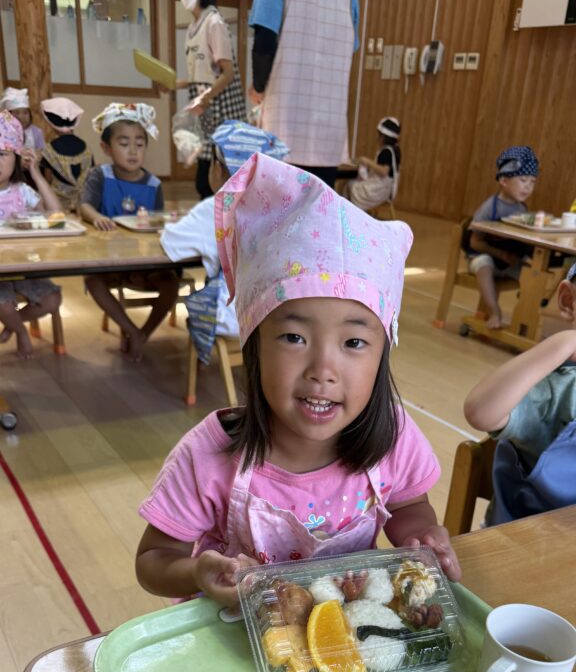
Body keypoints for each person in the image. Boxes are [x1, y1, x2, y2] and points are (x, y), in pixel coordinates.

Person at [136, 153, 461, 606]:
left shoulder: (393, 435)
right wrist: (196, 572)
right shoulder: (208, 455)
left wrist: (420, 536)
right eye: (294, 337)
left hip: (347, 633)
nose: (322, 369)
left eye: (354, 343)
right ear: (254, 344)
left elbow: (408, 506)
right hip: (233, 633)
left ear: (383, 354)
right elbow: (153, 561)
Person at [161, 119, 289, 365]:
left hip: (233, 318)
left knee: (200, 303)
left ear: (219, 169)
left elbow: (171, 245)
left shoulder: (216, 209)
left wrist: (168, 226)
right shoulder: (282, 210)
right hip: (277, 316)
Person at [463, 262, 576, 526]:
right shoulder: (556, 393)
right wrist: (562, 344)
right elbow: (480, 411)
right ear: (568, 301)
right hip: (526, 545)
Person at [79, 103, 179, 361]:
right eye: (124, 143)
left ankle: (143, 333)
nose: (133, 151)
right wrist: (97, 217)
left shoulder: (154, 184)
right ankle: (130, 329)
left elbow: (157, 221)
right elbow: (84, 206)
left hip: (144, 262)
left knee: (171, 284)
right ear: (106, 148)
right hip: (109, 260)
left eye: (140, 144)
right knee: (92, 281)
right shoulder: (100, 176)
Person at [248, 0, 360, 188]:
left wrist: (258, 86)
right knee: (319, 203)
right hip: (329, 130)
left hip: (284, 123)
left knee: (277, 203)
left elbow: (264, 43)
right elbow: (349, 49)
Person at [172, 0, 246, 200]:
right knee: (205, 180)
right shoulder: (193, 27)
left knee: (215, 180)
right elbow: (203, 75)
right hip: (206, 109)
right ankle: (213, 217)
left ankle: (222, 218)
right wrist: (176, 84)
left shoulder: (214, 23)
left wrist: (205, 97)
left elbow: (227, 73)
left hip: (221, 110)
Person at [0, 110, 62, 360]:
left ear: (16, 156)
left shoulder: (22, 191)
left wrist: (35, 172)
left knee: (53, 300)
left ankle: (13, 323)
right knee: (2, 304)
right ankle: (20, 331)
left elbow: (56, 216)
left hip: (25, 266)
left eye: (2, 154)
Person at [467, 145, 539, 331]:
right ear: (504, 181)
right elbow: (474, 242)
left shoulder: (523, 210)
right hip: (484, 257)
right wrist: (500, 254)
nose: (528, 186)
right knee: (483, 265)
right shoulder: (489, 208)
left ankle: (525, 319)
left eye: (532, 182)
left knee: (534, 275)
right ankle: (494, 311)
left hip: (510, 262)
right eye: (523, 180)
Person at [39, 97, 92, 212]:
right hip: (84, 208)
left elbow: (47, 181)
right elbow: (90, 177)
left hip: (57, 207)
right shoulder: (86, 148)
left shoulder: (49, 150)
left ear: (51, 123)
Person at [342, 116, 401, 211]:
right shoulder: (395, 150)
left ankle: (350, 212)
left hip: (380, 190)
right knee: (353, 183)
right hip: (386, 190)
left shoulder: (386, 151)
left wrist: (366, 161)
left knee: (350, 185)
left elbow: (384, 171)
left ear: (383, 137)